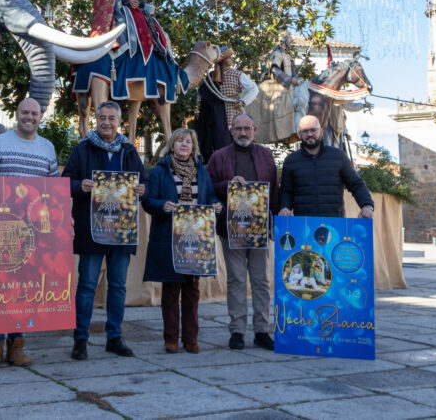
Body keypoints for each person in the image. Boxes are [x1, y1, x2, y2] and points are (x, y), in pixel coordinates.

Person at [0, 97, 59, 369]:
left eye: (34, 113)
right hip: (1, 229)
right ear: (17, 114)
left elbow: (54, 191)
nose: (29, 117)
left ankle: (17, 346)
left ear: (40, 117)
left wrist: (62, 227)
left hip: (35, 233)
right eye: (25, 112)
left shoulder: (48, 148)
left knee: (24, 289)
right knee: (0, 285)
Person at [63, 101, 147, 361]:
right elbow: (65, 182)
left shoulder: (129, 151)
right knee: (87, 285)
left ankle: (114, 337)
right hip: (92, 229)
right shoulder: (82, 148)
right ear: (96, 120)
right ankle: (80, 339)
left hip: (121, 230)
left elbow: (142, 182)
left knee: (118, 286)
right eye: (102, 118)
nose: (107, 122)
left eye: (112, 118)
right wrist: (81, 186)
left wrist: (141, 190)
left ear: (119, 121)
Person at [142, 128, 221, 353]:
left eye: (188, 141)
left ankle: (191, 338)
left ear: (193, 147)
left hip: (196, 239)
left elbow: (211, 196)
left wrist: (216, 205)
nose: (184, 145)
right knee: (170, 290)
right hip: (168, 236)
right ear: (172, 145)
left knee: (191, 290)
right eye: (180, 141)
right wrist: (161, 206)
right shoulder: (159, 172)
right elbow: (148, 201)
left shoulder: (201, 172)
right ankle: (171, 339)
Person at [205, 114, 279, 351]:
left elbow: (274, 191)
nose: (243, 132)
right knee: (236, 279)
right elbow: (209, 187)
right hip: (231, 228)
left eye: (247, 128)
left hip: (259, 228)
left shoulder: (266, 156)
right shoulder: (219, 157)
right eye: (238, 129)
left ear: (254, 129)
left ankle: (261, 331)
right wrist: (227, 184)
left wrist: (274, 221)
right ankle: (237, 331)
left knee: (261, 281)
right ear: (231, 130)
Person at [72, 0, 180, 106]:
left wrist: (137, 3)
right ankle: (118, 50)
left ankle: (154, 53)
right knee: (127, 23)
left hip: (128, 7)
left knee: (149, 22)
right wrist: (125, 2)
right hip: (117, 9)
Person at [278, 115, 374, 219]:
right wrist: (284, 207)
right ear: (299, 134)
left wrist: (367, 205)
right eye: (305, 131)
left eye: (313, 130)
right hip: (303, 225)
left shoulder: (338, 156)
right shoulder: (291, 161)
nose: (309, 134)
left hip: (335, 224)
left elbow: (356, 184)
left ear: (322, 131)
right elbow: (286, 191)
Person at [194, 47, 258, 159]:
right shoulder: (211, 77)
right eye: (229, 57)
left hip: (232, 112)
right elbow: (202, 94)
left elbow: (254, 89)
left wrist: (243, 101)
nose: (232, 59)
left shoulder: (237, 74)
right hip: (213, 115)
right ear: (222, 60)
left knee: (231, 140)